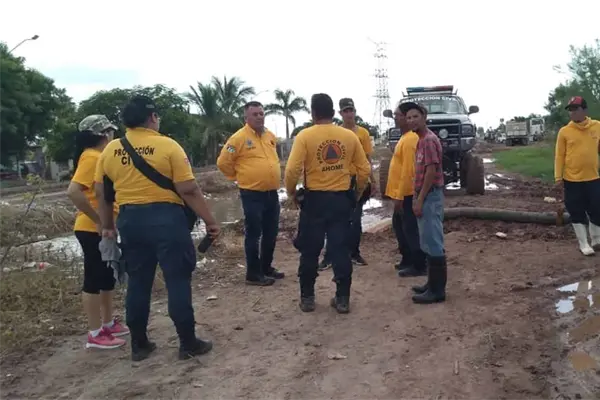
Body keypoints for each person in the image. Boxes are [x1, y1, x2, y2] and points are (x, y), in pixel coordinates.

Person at [94, 95, 220, 361]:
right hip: (167, 220)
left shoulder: (111, 150)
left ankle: (139, 344)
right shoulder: (168, 146)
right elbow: (188, 189)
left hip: (130, 221)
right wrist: (210, 221)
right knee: (177, 279)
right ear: (152, 117)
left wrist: (107, 226)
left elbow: (102, 193)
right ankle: (187, 343)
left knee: (138, 282)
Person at [285, 93, 371, 313]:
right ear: (334, 113)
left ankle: (307, 298)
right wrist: (357, 193)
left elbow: (292, 170)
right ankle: (342, 299)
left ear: (313, 113)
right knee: (340, 249)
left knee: (310, 250)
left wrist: (292, 193)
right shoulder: (349, 136)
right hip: (341, 200)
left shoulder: (305, 136)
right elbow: (364, 169)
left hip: (314, 201)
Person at [67, 115, 129, 350]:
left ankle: (108, 323)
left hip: (101, 228)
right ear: (103, 135)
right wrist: (99, 221)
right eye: (110, 132)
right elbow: (73, 191)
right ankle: (95, 333)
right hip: (91, 229)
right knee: (93, 280)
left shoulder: (97, 157)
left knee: (106, 277)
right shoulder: (91, 157)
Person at [217, 101, 284, 286]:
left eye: (261, 113)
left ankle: (266, 267)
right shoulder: (237, 139)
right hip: (252, 194)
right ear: (246, 117)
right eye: (255, 114)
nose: (259, 117)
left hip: (272, 193)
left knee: (271, 232)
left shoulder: (270, 136)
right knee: (254, 234)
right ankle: (253, 274)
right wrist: (237, 176)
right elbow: (223, 162)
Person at [319, 98, 375, 270]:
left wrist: (372, 180)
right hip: (340, 180)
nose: (349, 114)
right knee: (333, 219)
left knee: (356, 220)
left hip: (358, 180)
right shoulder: (336, 133)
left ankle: (354, 253)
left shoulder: (363, 133)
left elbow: (367, 158)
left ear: (355, 112)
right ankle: (329, 256)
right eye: (345, 111)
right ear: (340, 113)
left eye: (351, 110)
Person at [403, 102, 447, 304]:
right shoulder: (421, 140)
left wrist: (419, 199)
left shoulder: (428, 140)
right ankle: (431, 283)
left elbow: (431, 171)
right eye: (408, 117)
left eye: (415, 116)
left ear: (424, 117)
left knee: (434, 241)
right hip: (425, 195)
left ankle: (437, 291)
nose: (411, 120)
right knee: (428, 241)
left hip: (430, 196)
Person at [554, 96, 600, 256]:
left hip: (593, 177)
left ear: (585, 110)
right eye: (570, 110)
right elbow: (559, 156)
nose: (572, 113)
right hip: (572, 179)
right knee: (576, 210)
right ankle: (583, 243)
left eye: (576, 109)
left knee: (597, 208)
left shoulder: (597, 127)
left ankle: (596, 239)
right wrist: (558, 177)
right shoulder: (565, 132)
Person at [385, 106, 427, 277]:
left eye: (398, 115)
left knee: (410, 228)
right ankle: (407, 259)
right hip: (401, 193)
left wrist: (400, 196)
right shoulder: (404, 137)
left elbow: (408, 171)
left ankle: (419, 264)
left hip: (406, 193)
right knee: (400, 226)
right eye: (395, 115)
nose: (395, 118)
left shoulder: (410, 140)